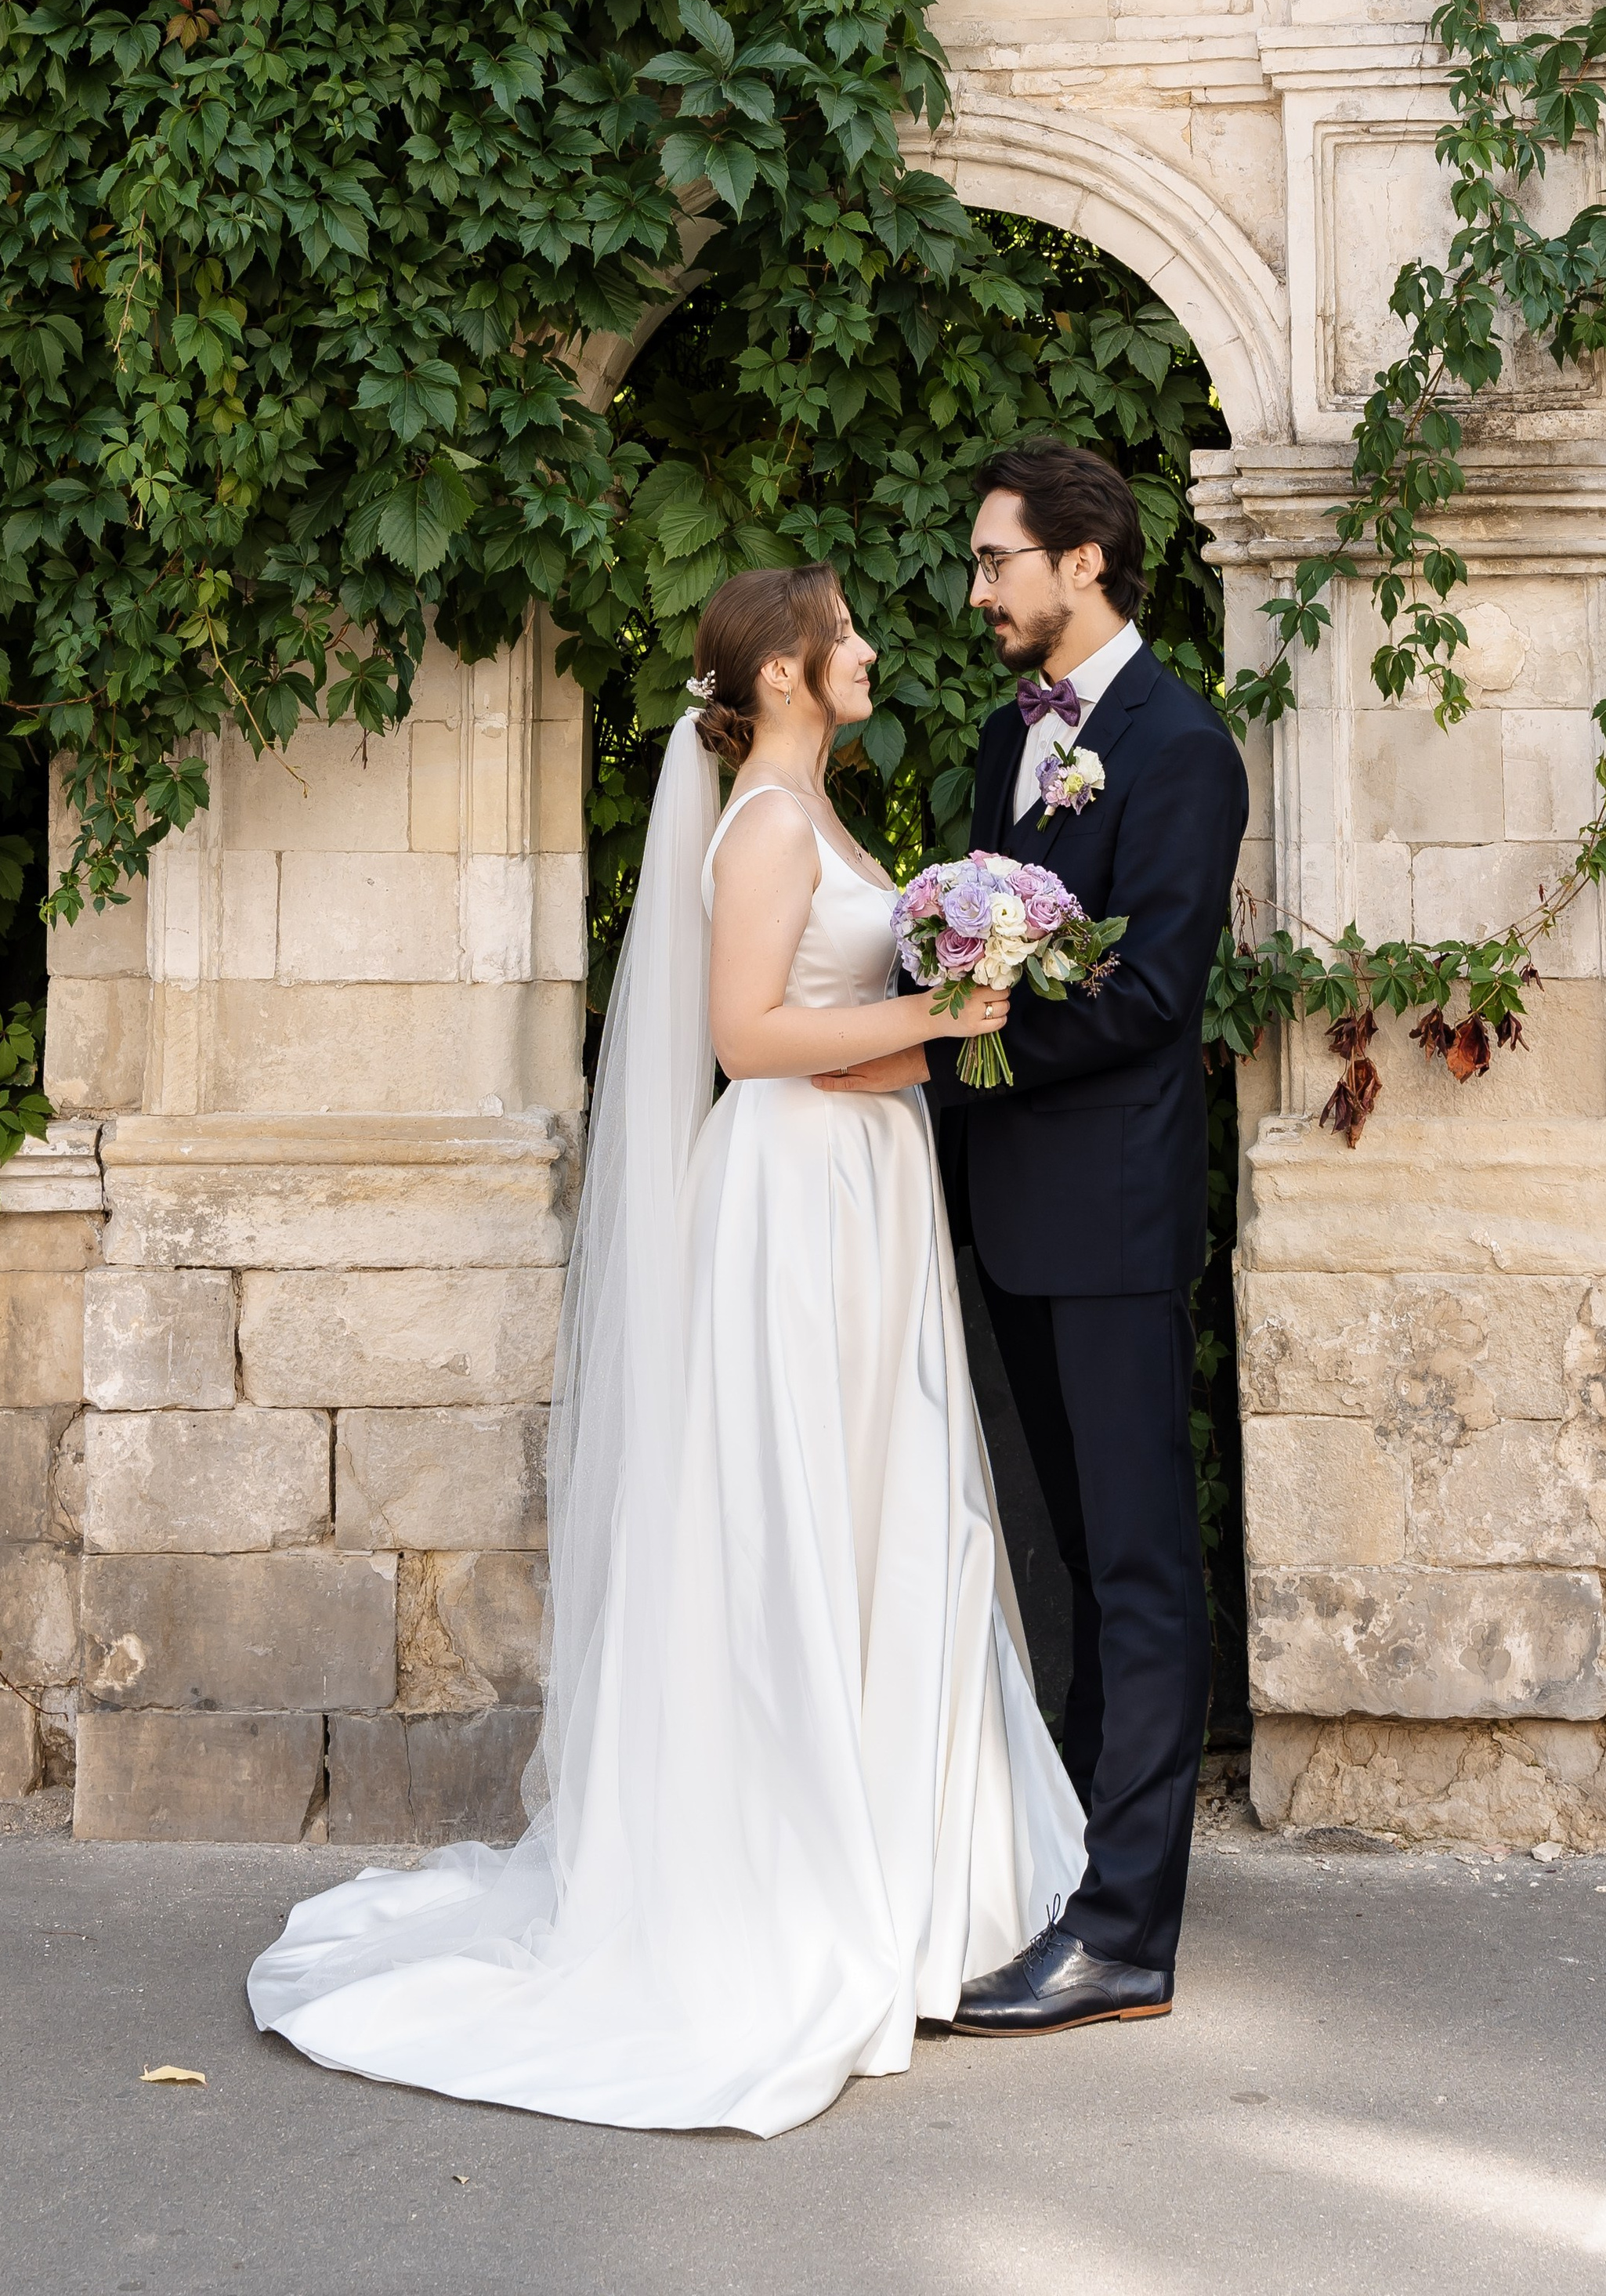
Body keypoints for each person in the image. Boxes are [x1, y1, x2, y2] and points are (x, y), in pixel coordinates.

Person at [246, 563, 1084, 2135]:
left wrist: (935, 1011)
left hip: (857, 1187)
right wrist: (939, 1022)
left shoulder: (813, 808)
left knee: (874, 1498)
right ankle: (791, 1869)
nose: (867, 649)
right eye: (841, 634)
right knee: (794, 1507)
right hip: (792, 1197)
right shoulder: (763, 825)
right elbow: (744, 1039)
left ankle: (903, 1862)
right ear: (778, 672)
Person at [815, 439, 1247, 2037]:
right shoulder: (1019, 735)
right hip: (1014, 1213)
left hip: (1115, 1214)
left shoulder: (1179, 747)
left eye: (996, 559)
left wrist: (940, 1052)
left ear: (1083, 562)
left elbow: (1150, 998)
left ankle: (1126, 1933)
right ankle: (1071, 1865)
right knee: (1074, 1556)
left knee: (1139, 1567)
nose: (976, 587)